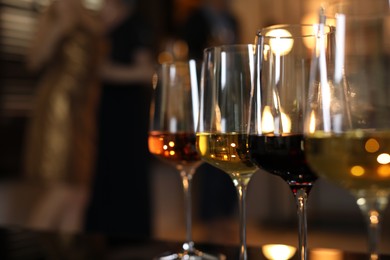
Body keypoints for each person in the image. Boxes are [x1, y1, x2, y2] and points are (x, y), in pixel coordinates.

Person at [23, 0, 103, 232]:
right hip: (60, 106)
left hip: (84, 107)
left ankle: (67, 252)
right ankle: (33, 250)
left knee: (80, 194)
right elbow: (33, 60)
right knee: (61, 189)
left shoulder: (90, 14)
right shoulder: (57, 10)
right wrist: (59, 29)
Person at [84, 0, 156, 238]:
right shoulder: (105, 28)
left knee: (127, 170)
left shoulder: (135, 25)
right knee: (107, 170)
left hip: (128, 114)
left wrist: (107, 72)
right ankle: (105, 234)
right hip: (109, 112)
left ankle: (128, 235)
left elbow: (147, 72)